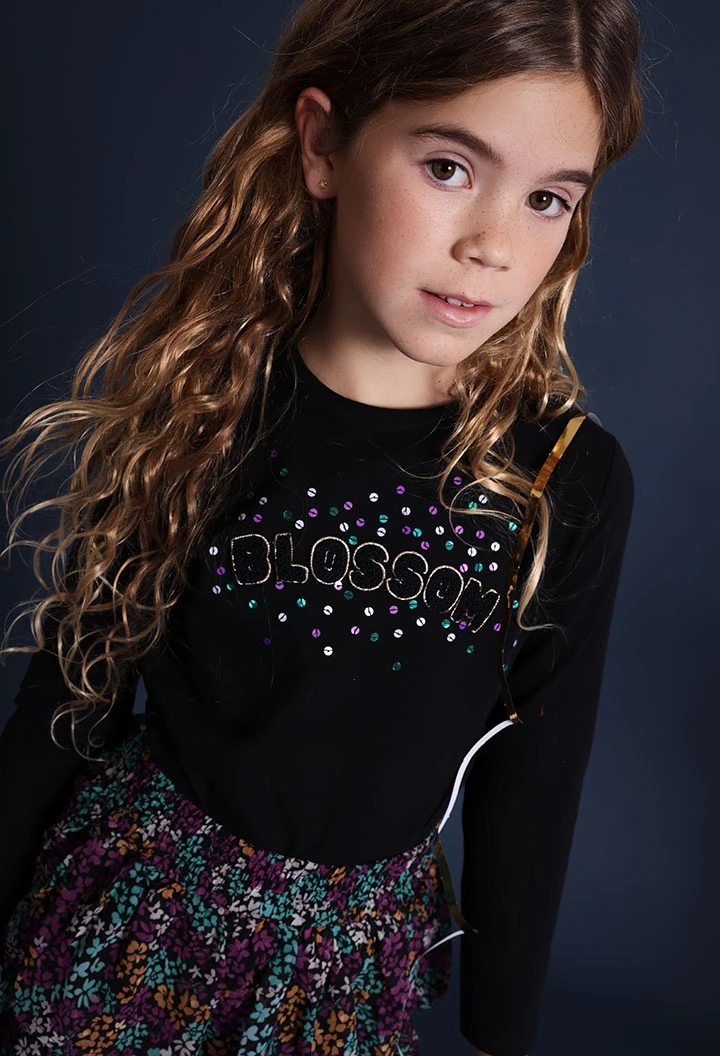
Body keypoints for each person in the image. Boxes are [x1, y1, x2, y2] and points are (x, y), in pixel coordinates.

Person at [0, 0, 644, 1053]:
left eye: (545, 199)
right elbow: (68, 704)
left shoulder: (563, 480)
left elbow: (536, 787)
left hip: (342, 982)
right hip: (127, 936)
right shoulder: (198, 403)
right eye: (448, 168)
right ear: (322, 146)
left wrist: (503, 1033)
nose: (491, 246)